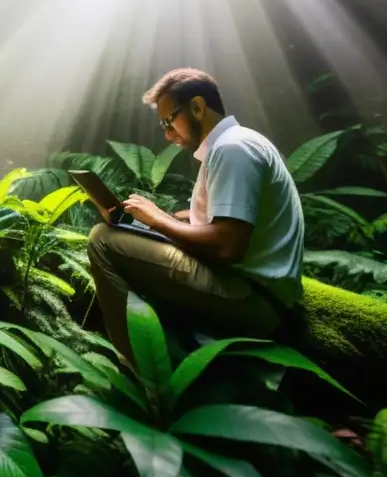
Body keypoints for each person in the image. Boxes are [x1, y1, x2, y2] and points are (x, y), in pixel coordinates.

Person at [87, 68, 304, 369]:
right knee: (130, 235)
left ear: (197, 107)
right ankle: (168, 347)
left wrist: (159, 220)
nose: (167, 133)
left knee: (103, 241)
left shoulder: (232, 148)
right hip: (255, 289)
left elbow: (228, 246)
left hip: (254, 299)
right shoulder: (233, 144)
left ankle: (143, 373)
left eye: (169, 120)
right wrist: (176, 221)